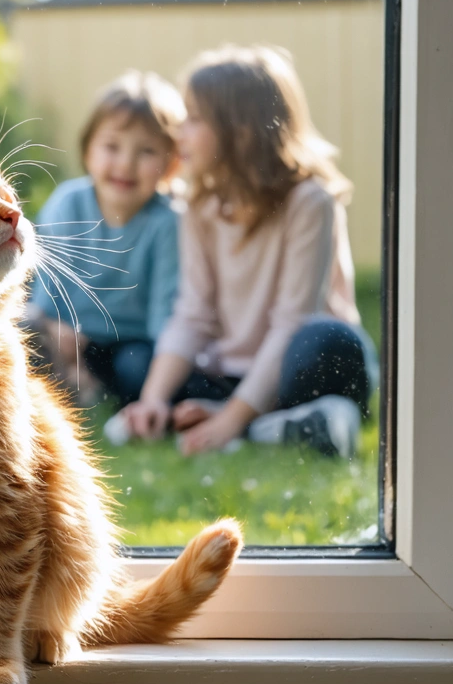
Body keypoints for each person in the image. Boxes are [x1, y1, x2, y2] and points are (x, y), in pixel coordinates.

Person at [120, 45, 378, 458]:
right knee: (137, 366)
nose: (178, 132)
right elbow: (193, 313)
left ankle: (241, 421)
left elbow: (293, 321)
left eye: (194, 119)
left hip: (300, 362)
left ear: (240, 131)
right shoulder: (199, 208)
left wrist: (230, 420)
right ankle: (280, 425)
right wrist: (153, 397)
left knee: (328, 342)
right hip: (235, 373)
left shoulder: (310, 202)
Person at [29, 71, 183, 412]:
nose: (125, 164)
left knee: (137, 370)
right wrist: (55, 330)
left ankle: (90, 389)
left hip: (130, 343)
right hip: (67, 333)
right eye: (112, 147)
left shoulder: (168, 222)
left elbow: (165, 316)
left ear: (171, 164)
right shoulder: (67, 202)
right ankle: (74, 383)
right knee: (27, 336)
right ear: (88, 151)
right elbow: (45, 293)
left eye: (146, 152)